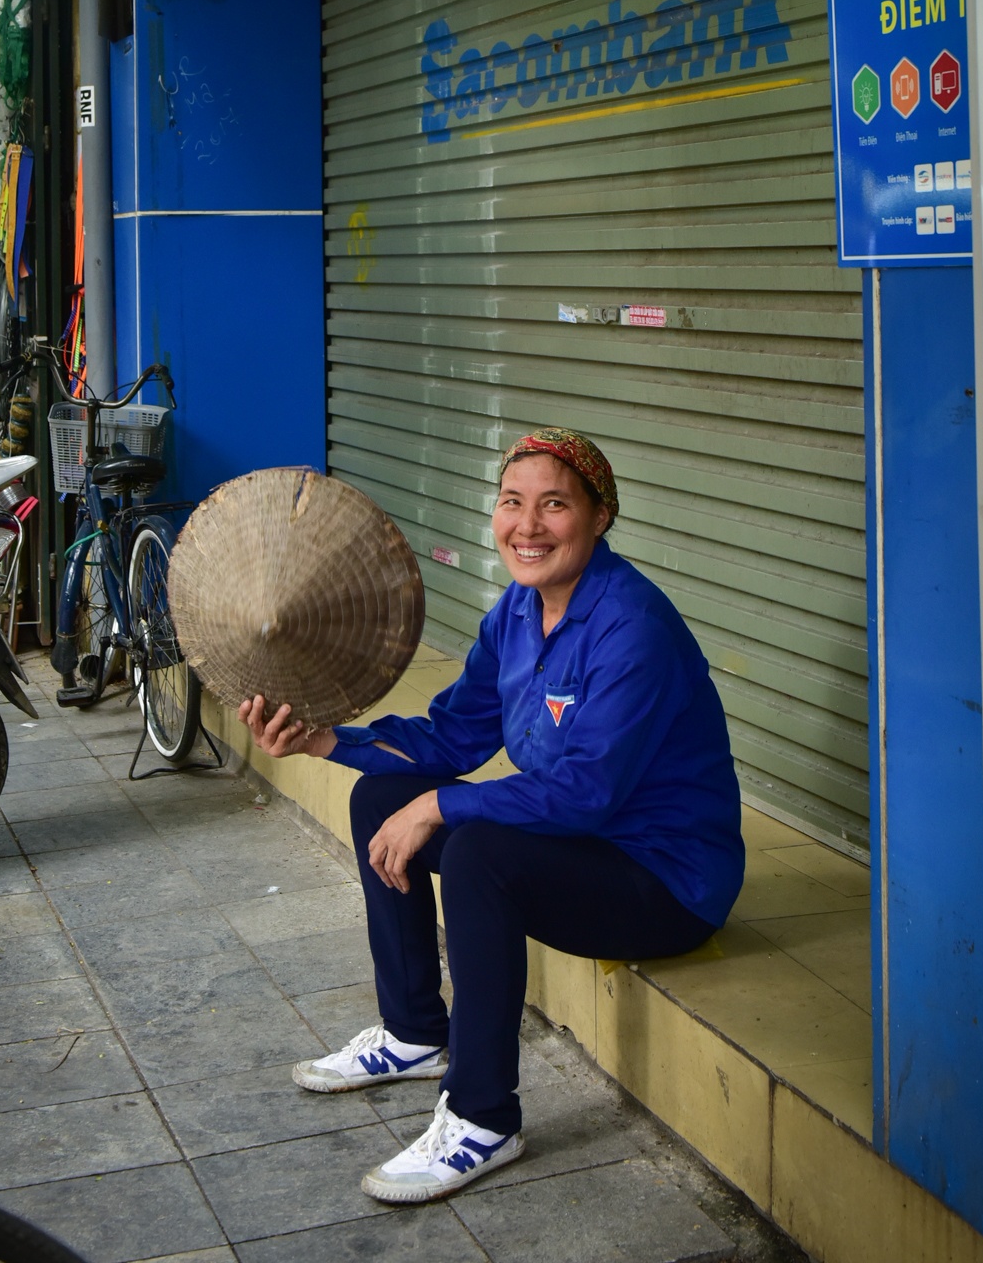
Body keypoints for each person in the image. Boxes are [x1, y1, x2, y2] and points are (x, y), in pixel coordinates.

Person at [241, 427, 744, 1206]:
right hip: (583, 845)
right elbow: (450, 738)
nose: (527, 526)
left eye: (554, 505)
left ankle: (482, 1117)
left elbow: (584, 792)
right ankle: (413, 1033)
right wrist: (323, 739)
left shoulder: (633, 627)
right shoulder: (516, 611)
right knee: (382, 796)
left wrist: (441, 803)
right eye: (512, 502)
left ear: (600, 515)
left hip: (663, 881)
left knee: (477, 852)